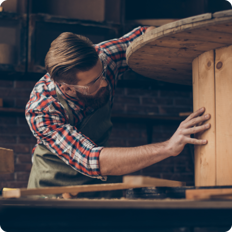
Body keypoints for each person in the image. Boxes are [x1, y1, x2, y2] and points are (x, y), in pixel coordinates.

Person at [25, 26, 210, 198]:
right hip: (53, 187)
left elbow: (146, 34)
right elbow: (92, 159)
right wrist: (168, 146)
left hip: (99, 183)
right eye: (93, 84)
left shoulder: (104, 57)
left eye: (102, 73)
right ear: (67, 89)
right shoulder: (41, 109)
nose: (104, 82)